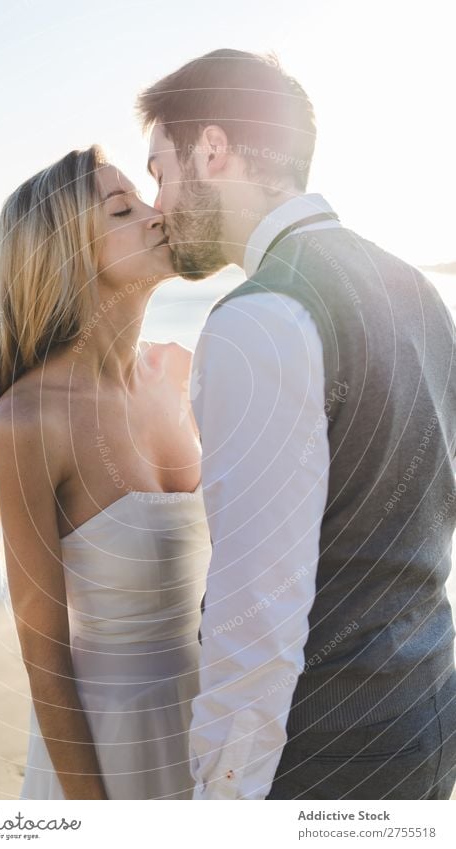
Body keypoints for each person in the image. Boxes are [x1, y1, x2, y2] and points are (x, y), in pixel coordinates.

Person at [137, 48, 456, 800]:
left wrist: (222, 798)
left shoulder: (258, 320)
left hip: (324, 756)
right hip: (427, 716)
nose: (157, 204)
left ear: (211, 148)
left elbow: (256, 610)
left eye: (159, 171)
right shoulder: (416, 289)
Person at [0, 145, 211, 799]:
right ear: (71, 256)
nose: (155, 213)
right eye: (121, 208)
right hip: (106, 753)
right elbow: (45, 660)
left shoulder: (182, 374)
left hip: (206, 739)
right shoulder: (30, 420)